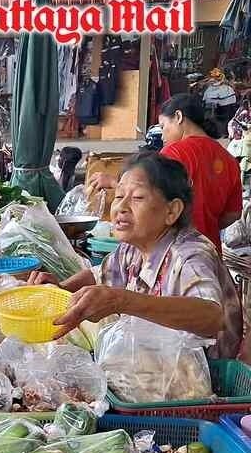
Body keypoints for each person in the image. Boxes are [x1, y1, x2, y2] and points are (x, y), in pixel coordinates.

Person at [31, 152, 241, 359]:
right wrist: (62, 289)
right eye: (119, 196)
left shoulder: (190, 255)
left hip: (202, 374)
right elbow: (98, 275)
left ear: (171, 211)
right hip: (154, 360)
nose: (121, 207)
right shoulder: (132, 248)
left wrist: (121, 300)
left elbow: (212, 316)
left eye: (138, 198)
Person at [88, 94, 242, 251]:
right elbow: (233, 214)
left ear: (178, 116)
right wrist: (206, 221)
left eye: (162, 126)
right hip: (211, 251)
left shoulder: (173, 153)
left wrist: (113, 183)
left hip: (174, 252)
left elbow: (147, 196)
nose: (162, 135)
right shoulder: (229, 159)